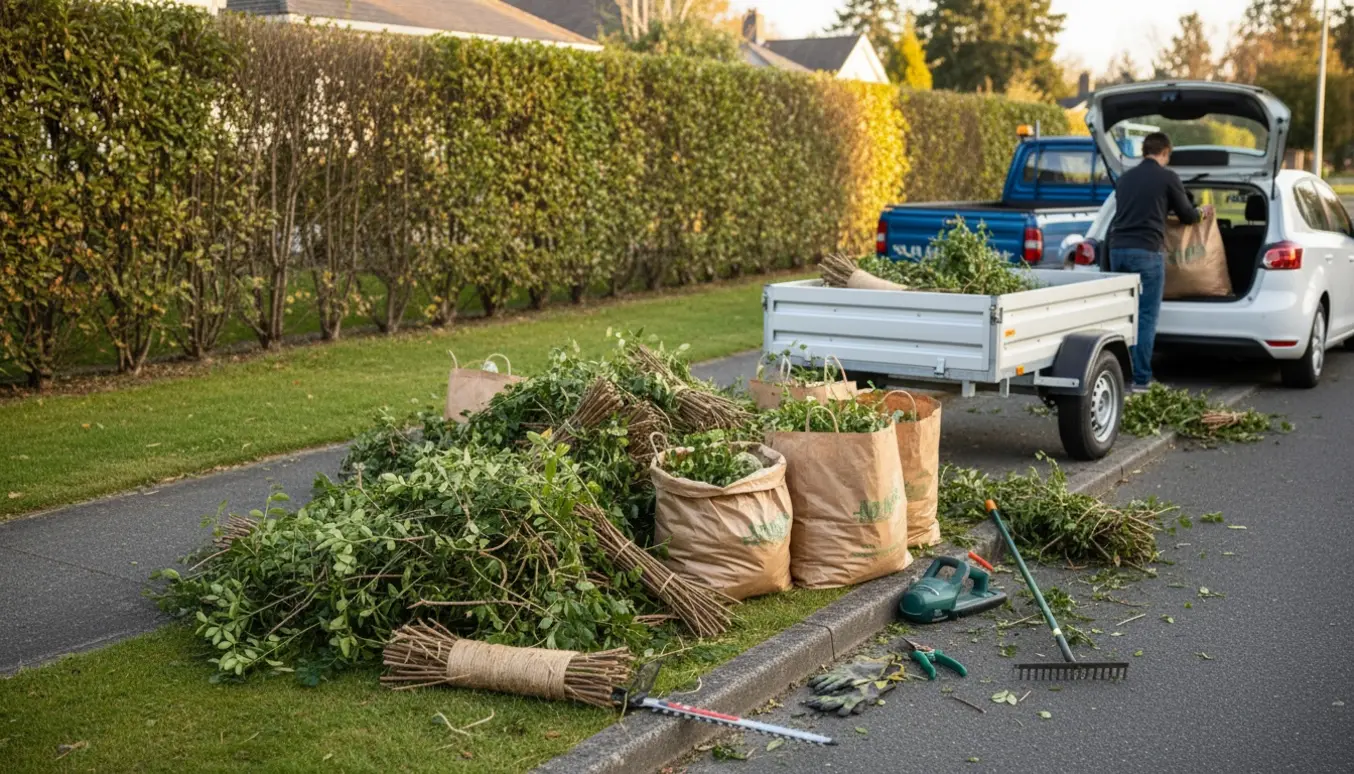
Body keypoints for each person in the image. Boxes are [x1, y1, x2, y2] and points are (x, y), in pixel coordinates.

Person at [1108, 132, 1213, 393]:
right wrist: (1202, 212)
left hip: (1116, 251)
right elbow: (1187, 215)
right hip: (1146, 253)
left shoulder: (1125, 179)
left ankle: (1118, 376)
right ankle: (1142, 380)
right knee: (1145, 318)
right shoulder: (1168, 177)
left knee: (1121, 317)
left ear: (1144, 151)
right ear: (1165, 153)